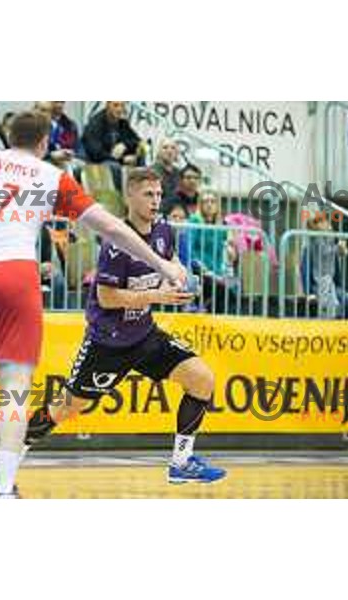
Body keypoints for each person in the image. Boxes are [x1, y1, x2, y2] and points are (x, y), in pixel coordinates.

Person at [0, 112, 186, 498]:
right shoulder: (50, 175)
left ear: (8, 135)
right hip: (13, 273)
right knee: (14, 385)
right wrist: (162, 263)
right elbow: (112, 228)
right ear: (45, 143)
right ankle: (2, 488)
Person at [22, 168, 226, 485]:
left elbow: (171, 262)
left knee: (202, 379)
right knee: (65, 408)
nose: (156, 201)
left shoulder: (164, 231)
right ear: (129, 196)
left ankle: (181, 462)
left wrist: (179, 274)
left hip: (144, 334)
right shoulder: (116, 243)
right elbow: (106, 297)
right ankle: (12, 454)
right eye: (148, 194)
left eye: (159, 194)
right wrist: (156, 295)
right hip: (108, 344)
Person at [301, 214, 348, 319]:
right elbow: (305, 270)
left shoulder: (330, 241)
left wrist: (340, 248)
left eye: (326, 222)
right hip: (318, 286)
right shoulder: (312, 245)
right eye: (323, 222)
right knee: (333, 309)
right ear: (317, 226)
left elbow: (336, 260)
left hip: (332, 285)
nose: (328, 224)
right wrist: (309, 292)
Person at [81, 101, 144, 188]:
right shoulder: (95, 124)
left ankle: (140, 193)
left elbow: (138, 141)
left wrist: (125, 145)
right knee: (113, 166)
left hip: (118, 161)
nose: (119, 109)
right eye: (116, 105)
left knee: (141, 158)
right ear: (107, 105)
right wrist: (122, 160)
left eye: (122, 106)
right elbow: (96, 153)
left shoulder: (122, 123)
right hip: (98, 163)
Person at [152, 138, 181, 202]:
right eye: (165, 147)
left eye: (173, 148)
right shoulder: (151, 172)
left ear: (176, 153)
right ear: (159, 152)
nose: (169, 151)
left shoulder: (179, 173)